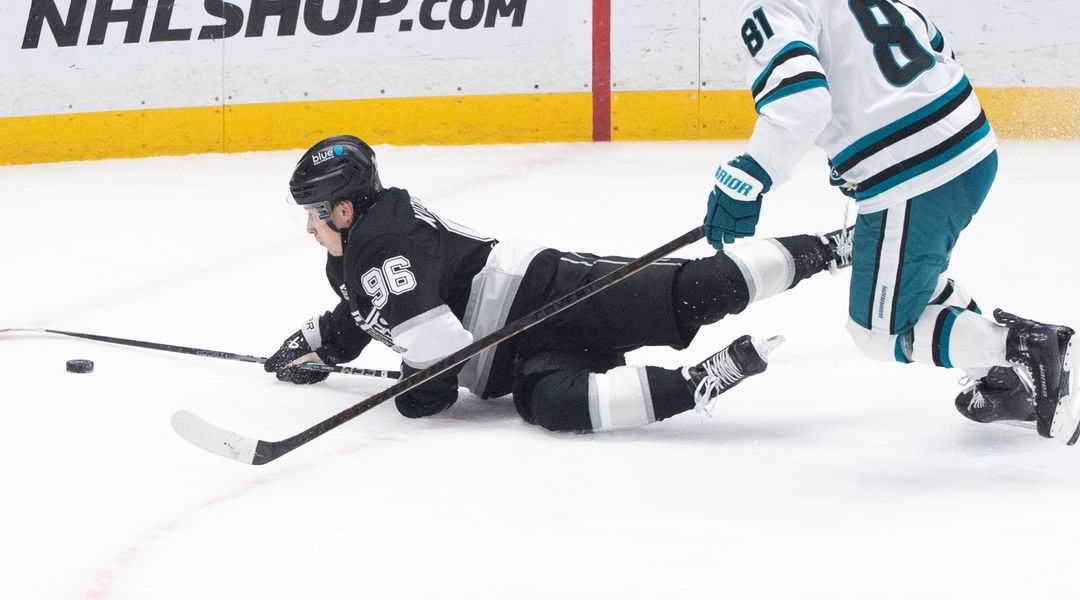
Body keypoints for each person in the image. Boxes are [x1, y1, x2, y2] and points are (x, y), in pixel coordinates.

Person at [703, 0, 1080, 444]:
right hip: (972, 149)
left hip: (916, 175)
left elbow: (801, 99)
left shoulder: (770, 2)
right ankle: (1001, 382)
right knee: (914, 282)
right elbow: (937, 48)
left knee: (877, 330)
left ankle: (1026, 350)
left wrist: (748, 178)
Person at [265, 134, 854, 434]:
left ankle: (833, 248)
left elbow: (436, 357)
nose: (309, 227)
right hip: (520, 352)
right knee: (550, 406)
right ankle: (697, 384)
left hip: (549, 293)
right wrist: (320, 344)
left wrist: (414, 394)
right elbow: (370, 312)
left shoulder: (382, 247)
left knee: (693, 290)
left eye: (314, 213)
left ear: (344, 211)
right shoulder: (362, 251)